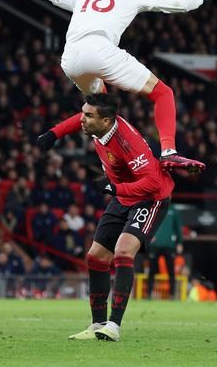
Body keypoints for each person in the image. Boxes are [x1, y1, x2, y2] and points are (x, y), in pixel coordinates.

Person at [0, 0, 217, 170]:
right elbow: (175, 5)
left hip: (71, 58)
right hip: (101, 50)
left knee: (99, 109)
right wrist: (202, 1)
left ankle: (84, 153)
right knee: (163, 93)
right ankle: (168, 152)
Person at [64, 93, 174, 342]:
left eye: (87, 115)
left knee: (123, 252)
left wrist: (116, 189)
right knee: (96, 257)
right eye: (83, 112)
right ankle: (97, 325)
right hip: (123, 197)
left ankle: (113, 326)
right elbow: (78, 120)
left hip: (151, 198)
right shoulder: (98, 128)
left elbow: (152, 182)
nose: (81, 119)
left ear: (106, 121)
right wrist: (54, 133)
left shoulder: (127, 141)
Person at [146, 204, 183, 299]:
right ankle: (149, 294)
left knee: (171, 271)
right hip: (155, 245)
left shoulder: (173, 210)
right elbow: (146, 223)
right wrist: (149, 236)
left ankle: (172, 295)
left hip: (169, 245)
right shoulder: (153, 207)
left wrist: (179, 242)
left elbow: (178, 227)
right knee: (152, 270)